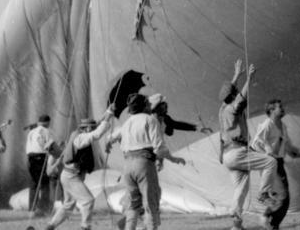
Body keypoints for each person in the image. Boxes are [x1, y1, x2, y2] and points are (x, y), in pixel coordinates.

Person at [107, 93, 185, 230]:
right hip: (143, 163)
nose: (150, 105)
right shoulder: (150, 120)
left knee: (133, 205)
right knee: (151, 204)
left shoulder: (127, 123)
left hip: (127, 165)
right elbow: (159, 148)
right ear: (144, 106)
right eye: (148, 104)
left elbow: (110, 138)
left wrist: (107, 145)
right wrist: (173, 158)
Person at [219, 59, 278, 230]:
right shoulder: (232, 109)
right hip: (237, 152)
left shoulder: (222, 109)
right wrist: (249, 80)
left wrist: (236, 75)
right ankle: (264, 193)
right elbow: (241, 99)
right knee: (271, 162)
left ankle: (236, 225)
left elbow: (228, 92)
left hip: (227, 155)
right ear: (232, 96)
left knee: (240, 189)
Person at [42, 106, 116, 230]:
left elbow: (97, 126)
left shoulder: (79, 133)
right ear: (87, 128)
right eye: (91, 128)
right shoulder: (81, 138)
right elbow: (97, 134)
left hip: (69, 174)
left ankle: (50, 226)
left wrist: (107, 112)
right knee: (88, 200)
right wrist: (109, 114)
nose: (92, 129)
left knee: (68, 205)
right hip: (71, 176)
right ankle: (85, 227)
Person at [251, 99, 300, 230]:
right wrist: (267, 156)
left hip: (279, 163)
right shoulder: (267, 124)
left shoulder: (282, 125)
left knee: (281, 198)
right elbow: (255, 144)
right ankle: (270, 221)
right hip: (271, 164)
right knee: (283, 198)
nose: (283, 109)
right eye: (280, 107)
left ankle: (270, 220)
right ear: (272, 111)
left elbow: (287, 147)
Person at [26, 114, 55, 217]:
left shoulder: (31, 132)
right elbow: (49, 146)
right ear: (47, 122)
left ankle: (32, 209)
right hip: (41, 158)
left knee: (34, 183)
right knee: (44, 184)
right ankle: (41, 209)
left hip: (30, 158)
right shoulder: (47, 131)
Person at [148, 93, 213, 137]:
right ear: (157, 108)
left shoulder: (165, 118)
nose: (166, 104)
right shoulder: (150, 121)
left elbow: (175, 126)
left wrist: (196, 128)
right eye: (163, 104)